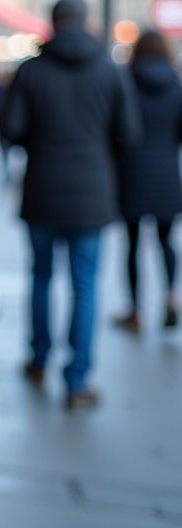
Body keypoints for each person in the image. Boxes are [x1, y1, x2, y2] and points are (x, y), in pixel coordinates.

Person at [0, 0, 140, 410]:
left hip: (43, 189)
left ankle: (39, 359)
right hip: (92, 194)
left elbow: (12, 128)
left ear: (54, 23)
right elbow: (128, 134)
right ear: (86, 21)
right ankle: (78, 380)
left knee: (41, 276)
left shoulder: (32, 71)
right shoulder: (110, 71)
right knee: (85, 285)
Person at [114, 30, 182, 331]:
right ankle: (170, 296)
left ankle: (134, 310)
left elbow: (117, 129)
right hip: (166, 173)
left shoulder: (125, 82)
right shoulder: (176, 86)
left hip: (131, 173)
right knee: (166, 240)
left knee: (131, 244)